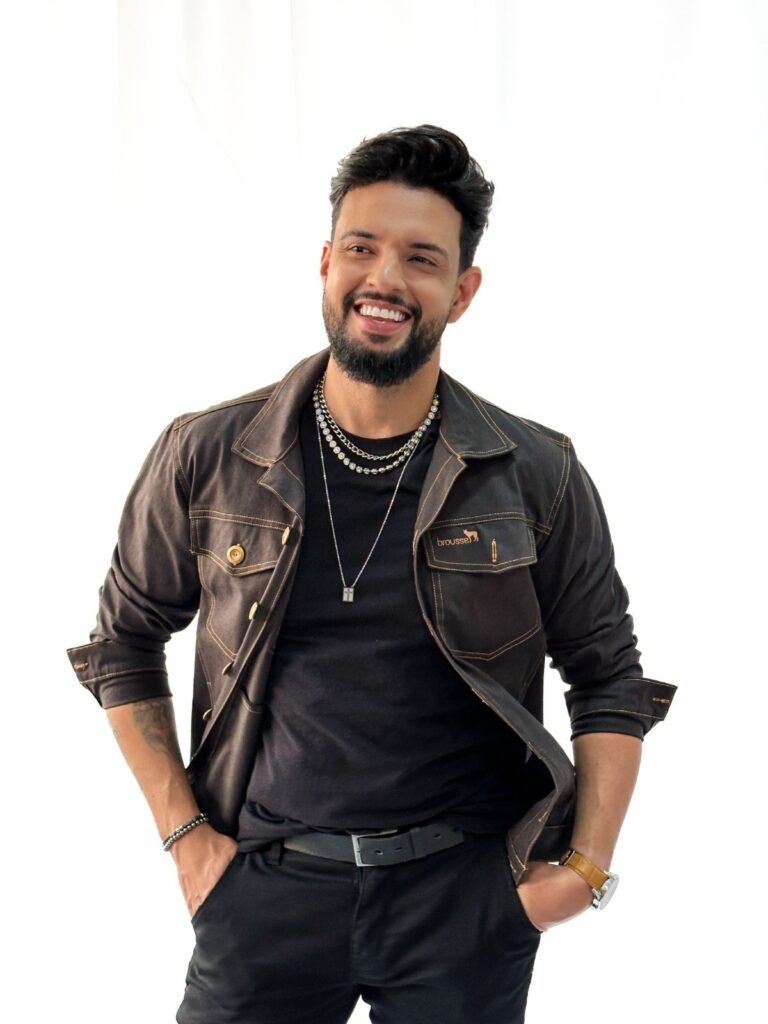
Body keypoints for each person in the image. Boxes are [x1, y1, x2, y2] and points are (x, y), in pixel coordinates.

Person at [68, 125, 675, 1024]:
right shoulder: (209, 454)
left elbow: (608, 676)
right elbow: (123, 642)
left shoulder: (535, 473)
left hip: (464, 899)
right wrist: (188, 840)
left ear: (462, 291)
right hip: (263, 891)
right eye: (361, 248)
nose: (384, 278)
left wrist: (583, 871)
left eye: (421, 258)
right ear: (325, 264)